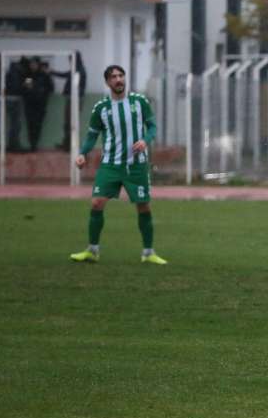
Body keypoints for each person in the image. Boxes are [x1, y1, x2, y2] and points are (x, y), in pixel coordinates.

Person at [70, 65, 166, 265]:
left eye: (121, 75)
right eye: (113, 77)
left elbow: (152, 126)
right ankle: (92, 250)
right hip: (110, 165)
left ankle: (148, 252)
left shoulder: (139, 102)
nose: (118, 79)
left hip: (137, 165)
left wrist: (145, 140)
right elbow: (92, 135)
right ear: (107, 82)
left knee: (143, 206)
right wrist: (82, 153)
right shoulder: (101, 108)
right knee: (96, 203)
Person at [51, 51, 87, 150]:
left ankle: (70, 145)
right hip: (72, 99)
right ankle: (67, 144)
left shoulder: (79, 71)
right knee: (69, 123)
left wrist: (52, 72)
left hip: (74, 100)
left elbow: (68, 76)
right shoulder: (77, 70)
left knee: (71, 123)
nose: (70, 62)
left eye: (71, 59)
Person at [24, 57, 54, 151]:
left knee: (37, 125)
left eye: (34, 64)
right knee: (30, 125)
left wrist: (42, 92)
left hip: (40, 105)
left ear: (38, 64)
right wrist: (27, 88)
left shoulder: (43, 75)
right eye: (31, 64)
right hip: (29, 105)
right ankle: (32, 144)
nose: (32, 66)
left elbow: (51, 88)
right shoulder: (28, 75)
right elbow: (25, 88)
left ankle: (35, 144)